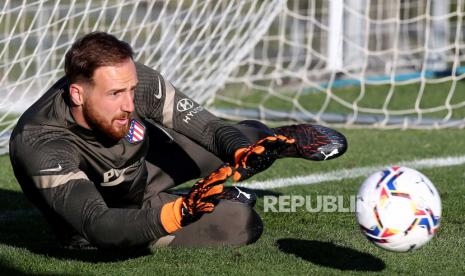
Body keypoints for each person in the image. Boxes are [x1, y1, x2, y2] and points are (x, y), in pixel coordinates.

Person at [9, 32, 347, 250]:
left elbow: (207, 126)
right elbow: (99, 224)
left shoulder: (133, 81)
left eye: (131, 89)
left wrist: (242, 152)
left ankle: (281, 141)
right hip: (116, 216)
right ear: (77, 94)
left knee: (243, 139)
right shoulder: (41, 143)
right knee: (241, 225)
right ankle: (183, 199)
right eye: (115, 94)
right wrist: (181, 212)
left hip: (143, 166)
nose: (130, 103)